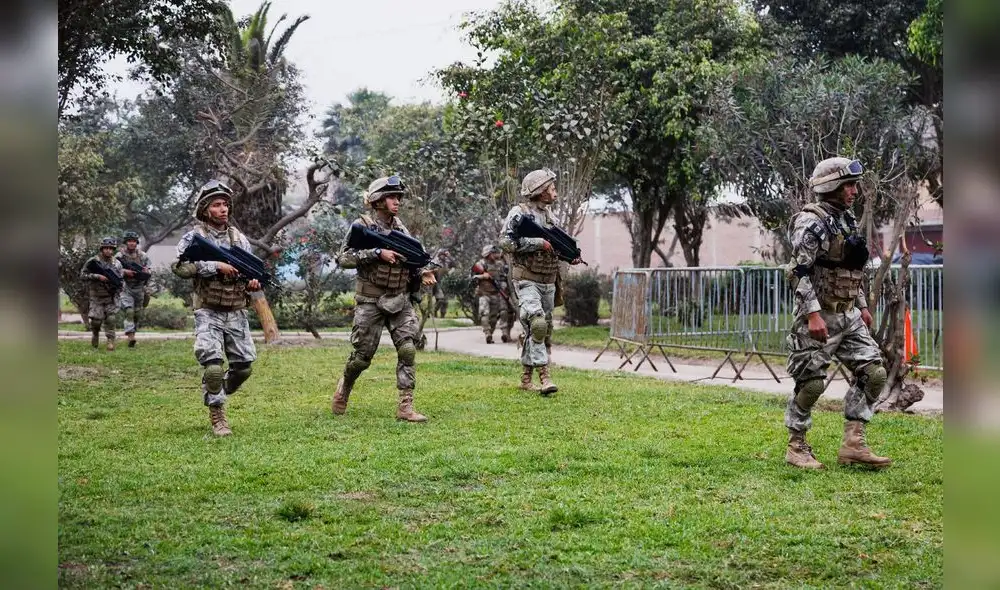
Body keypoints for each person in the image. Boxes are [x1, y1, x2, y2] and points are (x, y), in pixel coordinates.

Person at [784, 157, 891, 469]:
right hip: (819, 317)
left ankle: (853, 443)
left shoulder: (846, 220)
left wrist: (862, 307)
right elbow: (797, 272)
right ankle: (796, 446)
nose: (854, 191)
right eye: (849, 185)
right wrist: (813, 315)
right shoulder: (811, 223)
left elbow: (849, 268)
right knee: (812, 383)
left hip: (849, 316)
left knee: (874, 373)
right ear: (831, 187)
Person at [332, 175, 437, 422]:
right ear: (378, 200)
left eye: (399, 197)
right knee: (361, 357)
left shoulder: (401, 229)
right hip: (370, 300)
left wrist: (424, 272)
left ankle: (405, 406)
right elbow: (343, 258)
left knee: (408, 349)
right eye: (392, 197)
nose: (397, 201)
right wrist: (377, 253)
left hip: (399, 299)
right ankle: (345, 386)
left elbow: (412, 260)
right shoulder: (363, 226)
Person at [172, 180, 260, 437]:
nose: (223, 209)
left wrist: (252, 282)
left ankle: (216, 389)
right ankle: (217, 413)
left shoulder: (238, 238)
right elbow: (179, 268)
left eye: (225, 205)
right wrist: (214, 266)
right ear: (205, 209)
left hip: (236, 309)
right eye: (217, 205)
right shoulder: (194, 237)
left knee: (244, 367)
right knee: (213, 367)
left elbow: (247, 273)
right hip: (208, 310)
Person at [499, 168, 582, 395]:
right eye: (552, 188)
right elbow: (505, 242)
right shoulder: (519, 212)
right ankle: (545, 377)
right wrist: (537, 243)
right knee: (537, 323)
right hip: (526, 279)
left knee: (541, 331)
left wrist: (569, 256)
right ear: (540, 191)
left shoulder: (550, 216)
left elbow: (555, 245)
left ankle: (526, 377)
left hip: (548, 281)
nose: (555, 192)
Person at [79, 237, 123, 351]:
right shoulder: (94, 261)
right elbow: (83, 275)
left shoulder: (117, 263)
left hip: (111, 296)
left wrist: (117, 291)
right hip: (96, 296)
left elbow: (121, 280)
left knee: (111, 319)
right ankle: (95, 334)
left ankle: (110, 340)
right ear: (102, 249)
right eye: (106, 248)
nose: (108, 251)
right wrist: (97, 276)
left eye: (111, 248)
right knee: (96, 321)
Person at [116, 230, 152, 348]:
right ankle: (131, 337)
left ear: (136, 243)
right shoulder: (119, 256)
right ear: (126, 243)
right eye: (129, 241)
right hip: (127, 288)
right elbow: (112, 270)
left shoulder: (142, 255)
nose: (132, 243)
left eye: (134, 241)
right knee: (129, 311)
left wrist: (147, 271)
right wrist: (125, 271)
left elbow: (150, 269)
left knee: (137, 314)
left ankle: (133, 334)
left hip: (139, 288)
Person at [471, 244, 512, 344]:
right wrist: (483, 276)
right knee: (484, 314)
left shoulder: (499, 265)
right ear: (487, 254)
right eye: (492, 253)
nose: (495, 255)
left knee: (494, 318)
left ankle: (496, 333)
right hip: (484, 294)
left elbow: (504, 277)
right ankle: (487, 334)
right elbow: (473, 278)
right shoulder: (480, 264)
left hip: (495, 294)